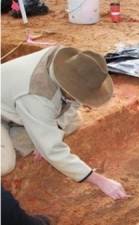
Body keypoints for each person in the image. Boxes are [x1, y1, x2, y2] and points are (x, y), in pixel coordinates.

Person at [1, 46, 129, 200]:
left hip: (15, 102)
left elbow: (75, 101)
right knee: (5, 163)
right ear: (68, 86)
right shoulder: (37, 94)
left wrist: (50, 133)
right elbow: (54, 151)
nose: (82, 99)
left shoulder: (67, 64)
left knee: (73, 121)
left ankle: (31, 133)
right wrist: (101, 181)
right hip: (13, 106)